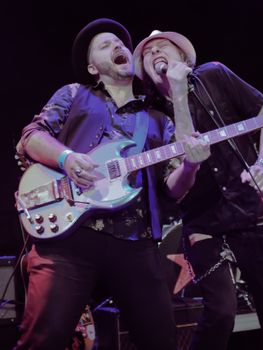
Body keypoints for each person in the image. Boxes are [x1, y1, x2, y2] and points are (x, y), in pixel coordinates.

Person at [14, 19, 209, 350]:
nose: (119, 46)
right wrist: (67, 159)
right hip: (69, 239)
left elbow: (172, 189)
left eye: (121, 42)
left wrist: (191, 164)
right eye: (106, 45)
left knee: (161, 342)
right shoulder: (74, 94)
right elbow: (32, 137)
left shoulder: (159, 120)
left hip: (136, 243)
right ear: (92, 67)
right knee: (42, 341)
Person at [133, 30, 263, 350]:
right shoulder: (147, 115)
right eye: (147, 53)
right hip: (203, 223)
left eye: (163, 47)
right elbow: (173, 189)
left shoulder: (214, 75)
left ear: (185, 59)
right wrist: (178, 96)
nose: (154, 53)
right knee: (220, 313)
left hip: (250, 209)